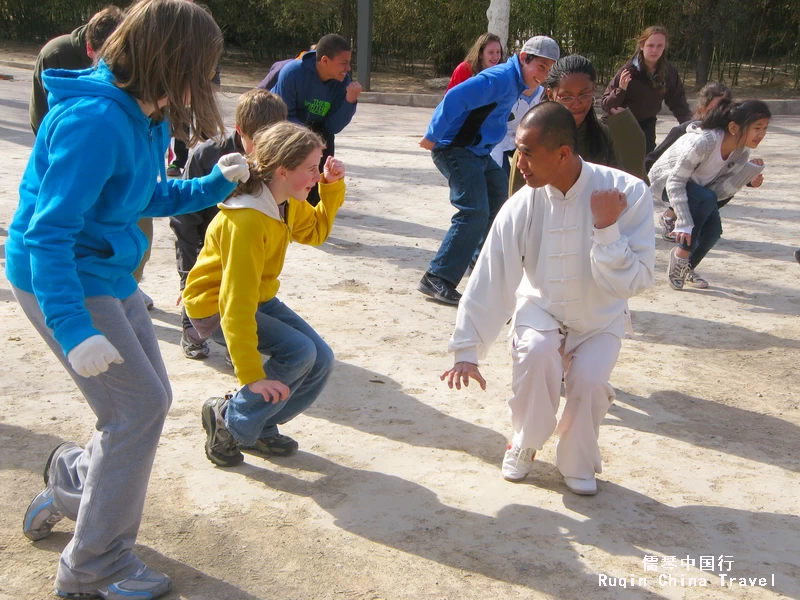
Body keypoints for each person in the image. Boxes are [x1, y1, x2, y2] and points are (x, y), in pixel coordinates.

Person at [8, 2, 251, 598]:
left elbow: (139, 194)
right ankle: (94, 566)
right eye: (206, 66)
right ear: (173, 61)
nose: (210, 81)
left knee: (150, 400)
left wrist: (212, 183)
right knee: (135, 411)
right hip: (61, 278)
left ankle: (71, 482)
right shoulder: (95, 120)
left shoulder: (143, 113)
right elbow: (47, 234)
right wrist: (71, 327)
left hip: (107, 275)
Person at [442, 102, 655, 495]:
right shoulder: (522, 204)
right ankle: (524, 442)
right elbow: (492, 276)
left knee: (590, 383)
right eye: (518, 150)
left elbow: (637, 281)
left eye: (526, 153)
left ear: (562, 153)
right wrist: (467, 349)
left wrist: (606, 229)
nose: (518, 162)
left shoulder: (628, 193)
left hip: (600, 317)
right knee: (536, 354)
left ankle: (576, 460)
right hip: (540, 308)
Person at [181, 122, 345, 468]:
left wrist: (330, 189)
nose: (316, 176)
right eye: (311, 169)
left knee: (322, 358)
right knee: (300, 352)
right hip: (216, 307)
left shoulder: (284, 200)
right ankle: (229, 420)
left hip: (256, 297)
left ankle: (258, 426)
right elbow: (233, 303)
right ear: (282, 171)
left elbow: (315, 232)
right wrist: (252, 376)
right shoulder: (249, 220)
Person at [418, 36, 560, 305]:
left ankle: (479, 263)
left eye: (548, 68)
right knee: (474, 209)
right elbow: (455, 96)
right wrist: (432, 135)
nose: (543, 74)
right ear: (523, 59)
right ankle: (437, 277)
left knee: (502, 203)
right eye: (540, 67)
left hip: (478, 152)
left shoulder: (519, 83)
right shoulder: (500, 78)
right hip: (455, 148)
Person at [171, 88, 288, 359]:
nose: (265, 148)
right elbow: (184, 222)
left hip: (247, 242)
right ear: (239, 130)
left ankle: (236, 340)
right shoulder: (206, 155)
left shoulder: (280, 156)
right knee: (200, 297)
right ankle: (191, 332)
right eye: (257, 140)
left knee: (243, 295)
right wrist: (187, 277)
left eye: (272, 139)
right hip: (207, 243)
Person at [649, 100, 770, 290]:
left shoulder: (741, 153)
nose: (761, 134)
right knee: (704, 200)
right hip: (665, 182)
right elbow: (675, 181)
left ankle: (686, 268)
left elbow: (718, 192)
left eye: (765, 128)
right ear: (733, 127)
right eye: (757, 128)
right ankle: (680, 256)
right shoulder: (705, 142)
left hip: (698, 191)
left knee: (713, 232)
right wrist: (684, 221)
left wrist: (746, 175)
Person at [508, 54, 647, 196]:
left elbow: (628, 189)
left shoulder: (605, 136)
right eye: (567, 97)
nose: (576, 104)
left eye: (584, 95)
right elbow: (517, 200)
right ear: (551, 95)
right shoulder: (532, 139)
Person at [271, 33, 361, 206]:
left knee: (317, 180)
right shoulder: (293, 73)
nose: (348, 68)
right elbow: (284, 116)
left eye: (349, 62)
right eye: (344, 63)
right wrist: (310, 141)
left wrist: (350, 102)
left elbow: (333, 126)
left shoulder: (342, 82)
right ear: (325, 60)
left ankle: (313, 217)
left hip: (317, 131)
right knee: (288, 179)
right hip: (285, 129)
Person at [645, 82, 733, 240]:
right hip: (676, 184)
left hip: (704, 184)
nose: (720, 115)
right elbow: (653, 159)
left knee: (726, 187)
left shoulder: (729, 138)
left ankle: (697, 220)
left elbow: (731, 165)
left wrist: (749, 179)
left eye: (725, 110)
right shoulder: (687, 132)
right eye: (715, 108)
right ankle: (672, 216)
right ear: (702, 109)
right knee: (697, 193)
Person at [29, 5, 124, 135]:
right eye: (106, 59)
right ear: (89, 49)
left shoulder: (128, 55)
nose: (112, 65)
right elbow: (40, 113)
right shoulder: (55, 55)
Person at [601, 26, 691, 153]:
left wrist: (690, 126)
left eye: (660, 46)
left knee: (646, 162)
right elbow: (605, 104)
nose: (655, 50)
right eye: (650, 45)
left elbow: (678, 103)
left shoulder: (669, 73)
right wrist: (621, 90)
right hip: (620, 123)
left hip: (646, 123)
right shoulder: (628, 71)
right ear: (642, 46)